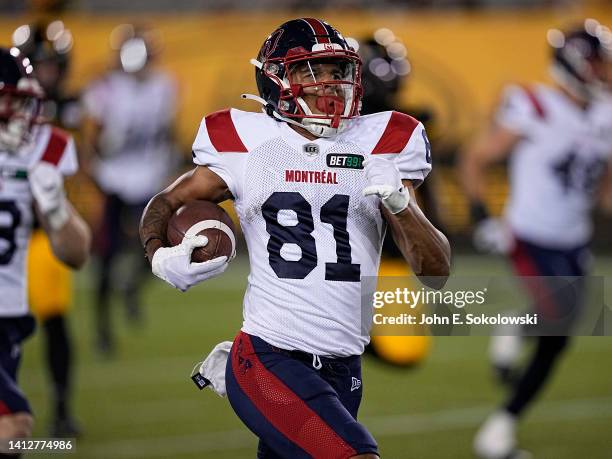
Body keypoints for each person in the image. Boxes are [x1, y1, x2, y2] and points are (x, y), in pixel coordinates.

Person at [140, 18, 450, 459]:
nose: (329, 83)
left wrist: (401, 204)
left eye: (337, 70)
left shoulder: (384, 140)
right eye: (311, 71)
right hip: (270, 357)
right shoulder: (246, 142)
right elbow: (165, 203)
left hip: (345, 368)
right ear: (276, 80)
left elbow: (436, 271)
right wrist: (158, 255)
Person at [459, 20, 612, 459]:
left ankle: (514, 327)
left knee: (559, 329)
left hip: (574, 239)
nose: (604, 72)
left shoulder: (605, 112)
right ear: (574, 63)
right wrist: (481, 216)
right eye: (598, 64)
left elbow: (603, 189)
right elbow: (475, 158)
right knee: (560, 327)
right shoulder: (534, 105)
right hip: (529, 235)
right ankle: (498, 431)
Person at [0, 46, 90, 448]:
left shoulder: (42, 147)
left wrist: (54, 210)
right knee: (13, 429)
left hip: (9, 320)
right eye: (7, 99)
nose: (17, 112)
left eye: (20, 101)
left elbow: (77, 254)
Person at [81, 24, 178, 355]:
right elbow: (92, 139)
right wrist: (95, 172)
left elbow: (167, 131)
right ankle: (103, 330)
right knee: (106, 259)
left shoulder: (164, 86)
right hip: (113, 177)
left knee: (157, 249)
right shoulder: (106, 88)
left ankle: (132, 287)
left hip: (148, 177)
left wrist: (169, 166)